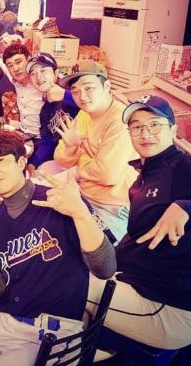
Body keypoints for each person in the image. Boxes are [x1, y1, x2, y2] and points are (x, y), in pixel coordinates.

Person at [0, 129, 116, 365]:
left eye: (0, 160)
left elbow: (105, 268)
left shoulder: (60, 202)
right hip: (1, 319)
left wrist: (80, 214)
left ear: (21, 162)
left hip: (52, 336)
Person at [85, 95, 191, 349]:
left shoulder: (188, 169)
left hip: (169, 307)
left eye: (154, 125)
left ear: (173, 130)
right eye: (137, 127)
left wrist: (190, 208)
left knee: (64, 283)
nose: (145, 133)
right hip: (138, 282)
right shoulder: (144, 177)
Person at [52, 60, 138, 243]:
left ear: (107, 86)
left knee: (84, 249)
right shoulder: (85, 113)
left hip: (112, 207)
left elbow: (107, 175)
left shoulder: (120, 120)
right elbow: (60, 159)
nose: (82, 97)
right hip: (83, 194)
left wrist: (79, 158)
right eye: (75, 91)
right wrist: (71, 147)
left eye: (89, 88)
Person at [26, 52, 79, 166]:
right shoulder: (45, 110)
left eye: (43, 71)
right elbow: (47, 141)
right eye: (33, 73)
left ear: (56, 73)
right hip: (62, 159)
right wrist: (33, 165)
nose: (38, 77)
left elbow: (93, 103)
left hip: (83, 157)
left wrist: (65, 95)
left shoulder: (73, 90)